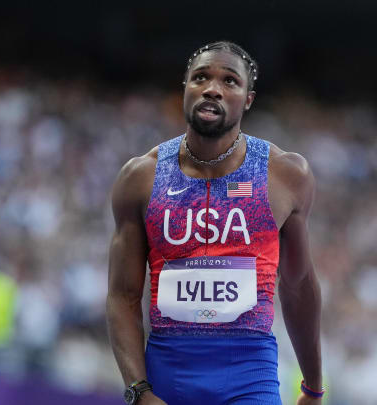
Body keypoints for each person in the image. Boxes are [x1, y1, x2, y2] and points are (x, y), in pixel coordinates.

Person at [107, 40, 323, 405]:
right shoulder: (141, 177)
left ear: (248, 99)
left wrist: (313, 386)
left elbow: (298, 284)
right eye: (201, 78)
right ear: (186, 88)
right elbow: (122, 295)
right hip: (167, 374)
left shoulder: (284, 175)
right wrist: (139, 391)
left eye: (230, 81)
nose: (212, 88)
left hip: (249, 374)